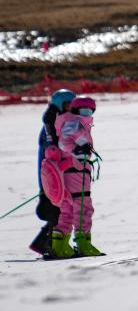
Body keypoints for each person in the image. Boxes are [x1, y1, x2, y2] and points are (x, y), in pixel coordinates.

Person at [50, 96, 102, 258]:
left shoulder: (76, 123)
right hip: (76, 170)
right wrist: (77, 150)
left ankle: (59, 245)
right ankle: (83, 244)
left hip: (72, 169)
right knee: (83, 205)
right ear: (75, 110)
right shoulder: (75, 123)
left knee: (68, 207)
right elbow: (64, 142)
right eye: (83, 111)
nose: (86, 114)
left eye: (89, 111)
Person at [29, 88, 75, 258]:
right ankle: (50, 244)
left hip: (59, 173)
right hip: (51, 176)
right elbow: (52, 150)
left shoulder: (59, 122)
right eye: (68, 105)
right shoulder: (51, 125)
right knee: (58, 209)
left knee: (62, 208)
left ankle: (44, 242)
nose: (71, 108)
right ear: (59, 105)